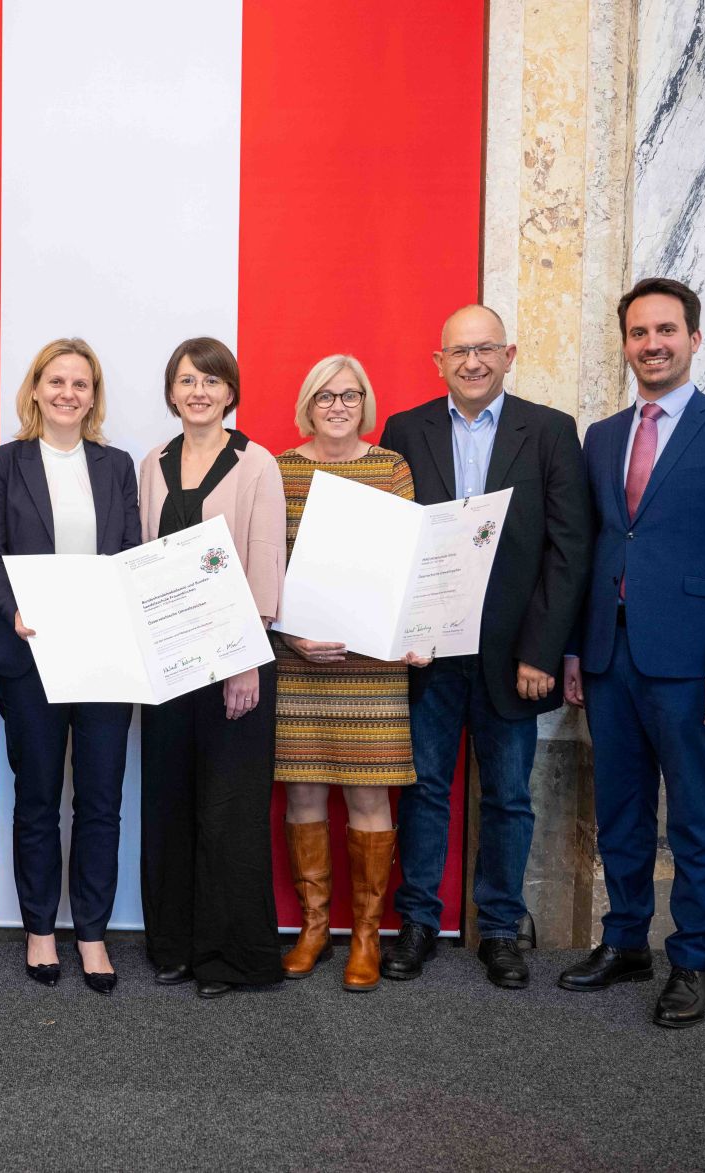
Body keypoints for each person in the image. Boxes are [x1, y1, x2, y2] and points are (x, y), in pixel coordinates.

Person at [561, 277, 705, 1028]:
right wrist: (572, 650)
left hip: (693, 663)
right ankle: (626, 941)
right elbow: (594, 546)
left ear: (693, 337)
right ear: (624, 343)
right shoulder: (601, 437)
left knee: (692, 814)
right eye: (638, 333)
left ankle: (691, 958)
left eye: (666, 330)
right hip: (609, 657)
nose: (651, 344)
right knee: (619, 809)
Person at [378, 306, 593, 990]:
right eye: (459, 352)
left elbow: (569, 549)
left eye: (485, 349)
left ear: (510, 354)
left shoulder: (552, 432)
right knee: (423, 792)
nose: (472, 362)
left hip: (512, 659)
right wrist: (399, 634)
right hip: (428, 656)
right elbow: (389, 546)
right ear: (437, 361)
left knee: (507, 796)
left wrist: (542, 650)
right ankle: (416, 921)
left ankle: (500, 926)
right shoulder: (404, 431)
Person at [0, 339, 141, 996]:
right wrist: (13, 609)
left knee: (101, 800)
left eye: (82, 383)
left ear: (93, 396)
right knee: (39, 798)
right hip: (29, 652)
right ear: (36, 389)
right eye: (57, 380)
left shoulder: (116, 465)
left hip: (103, 655)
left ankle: (92, 931)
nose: (69, 392)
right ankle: (41, 927)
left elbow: (129, 552)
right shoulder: (3, 462)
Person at [275, 355, 431, 992]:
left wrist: (409, 635)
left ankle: (366, 934)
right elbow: (263, 565)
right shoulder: (279, 469)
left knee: (369, 795)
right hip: (300, 663)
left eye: (349, 395)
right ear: (307, 404)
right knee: (303, 793)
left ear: (364, 401)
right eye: (324, 396)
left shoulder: (390, 468)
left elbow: (410, 562)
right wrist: (291, 636)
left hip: (374, 667)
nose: (337, 406)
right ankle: (316, 928)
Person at [137, 337, 286, 999]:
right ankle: (172, 944)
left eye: (212, 381)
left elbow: (264, 564)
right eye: (187, 380)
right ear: (172, 391)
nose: (199, 391)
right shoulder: (153, 463)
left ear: (231, 392)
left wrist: (245, 662)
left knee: (228, 810)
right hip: (167, 661)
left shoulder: (256, 464)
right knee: (168, 803)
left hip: (235, 664)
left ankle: (229, 957)